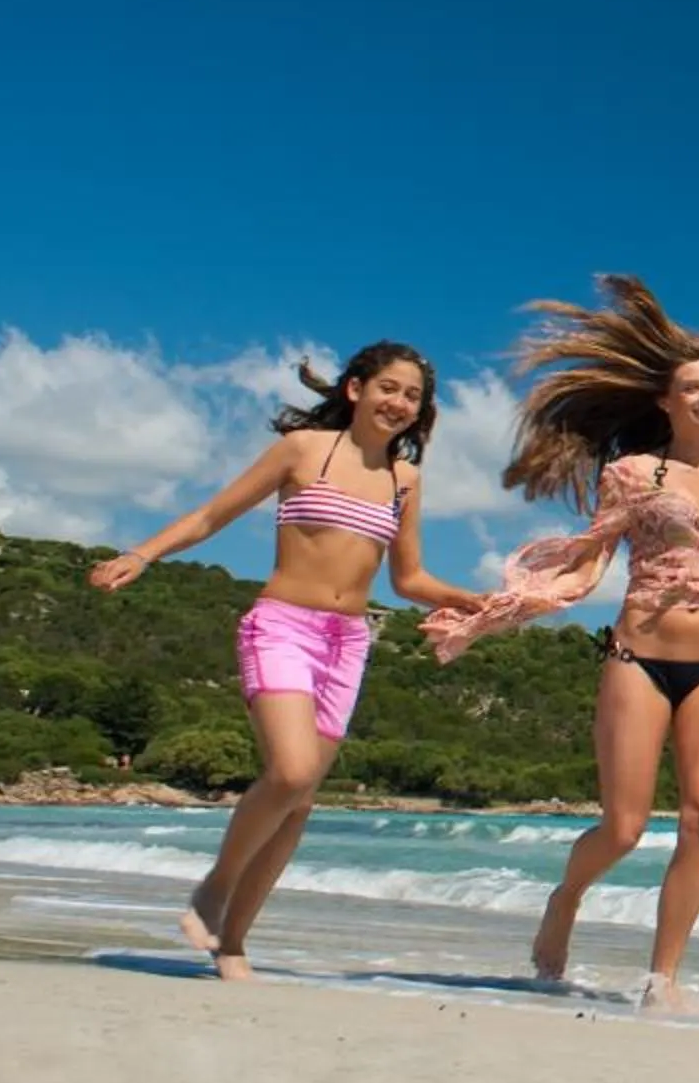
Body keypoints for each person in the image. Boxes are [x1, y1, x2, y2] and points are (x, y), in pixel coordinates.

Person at [422, 275, 699, 1010]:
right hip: (639, 660)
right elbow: (592, 563)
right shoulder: (632, 473)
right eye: (693, 387)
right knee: (623, 828)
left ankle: (664, 980)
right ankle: (565, 901)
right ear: (665, 400)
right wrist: (510, 606)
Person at [87, 342, 479, 979]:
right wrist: (143, 554)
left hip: (348, 641)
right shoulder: (303, 451)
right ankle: (215, 889)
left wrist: (475, 600)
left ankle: (233, 943)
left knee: (298, 805)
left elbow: (408, 579)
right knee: (292, 772)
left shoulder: (404, 481)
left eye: (413, 396)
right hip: (282, 627)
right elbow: (215, 513)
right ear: (355, 389)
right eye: (389, 388)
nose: (400, 403)